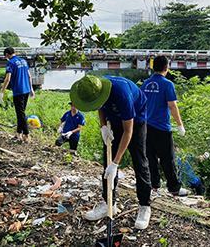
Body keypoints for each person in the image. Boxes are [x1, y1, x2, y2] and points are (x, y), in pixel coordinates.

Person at [70, 74, 152, 230]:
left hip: (136, 121)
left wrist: (116, 163)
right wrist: (103, 127)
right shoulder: (95, 89)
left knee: (139, 161)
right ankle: (109, 203)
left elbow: (128, 131)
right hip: (113, 120)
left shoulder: (122, 93)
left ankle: (144, 206)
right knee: (107, 164)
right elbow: (99, 106)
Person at [141, 55, 189, 196]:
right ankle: (174, 188)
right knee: (168, 159)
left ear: (153, 67)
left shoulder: (145, 84)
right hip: (162, 128)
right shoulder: (167, 84)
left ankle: (153, 186)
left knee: (150, 158)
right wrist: (180, 125)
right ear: (166, 68)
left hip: (146, 127)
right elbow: (172, 106)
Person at [0, 47, 35, 142]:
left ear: (7, 54)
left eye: (5, 56)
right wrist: (31, 89)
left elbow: (7, 79)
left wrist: (2, 92)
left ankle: (26, 134)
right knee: (21, 113)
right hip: (26, 90)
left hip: (18, 91)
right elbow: (29, 76)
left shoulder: (10, 63)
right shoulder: (23, 61)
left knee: (20, 114)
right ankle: (18, 134)